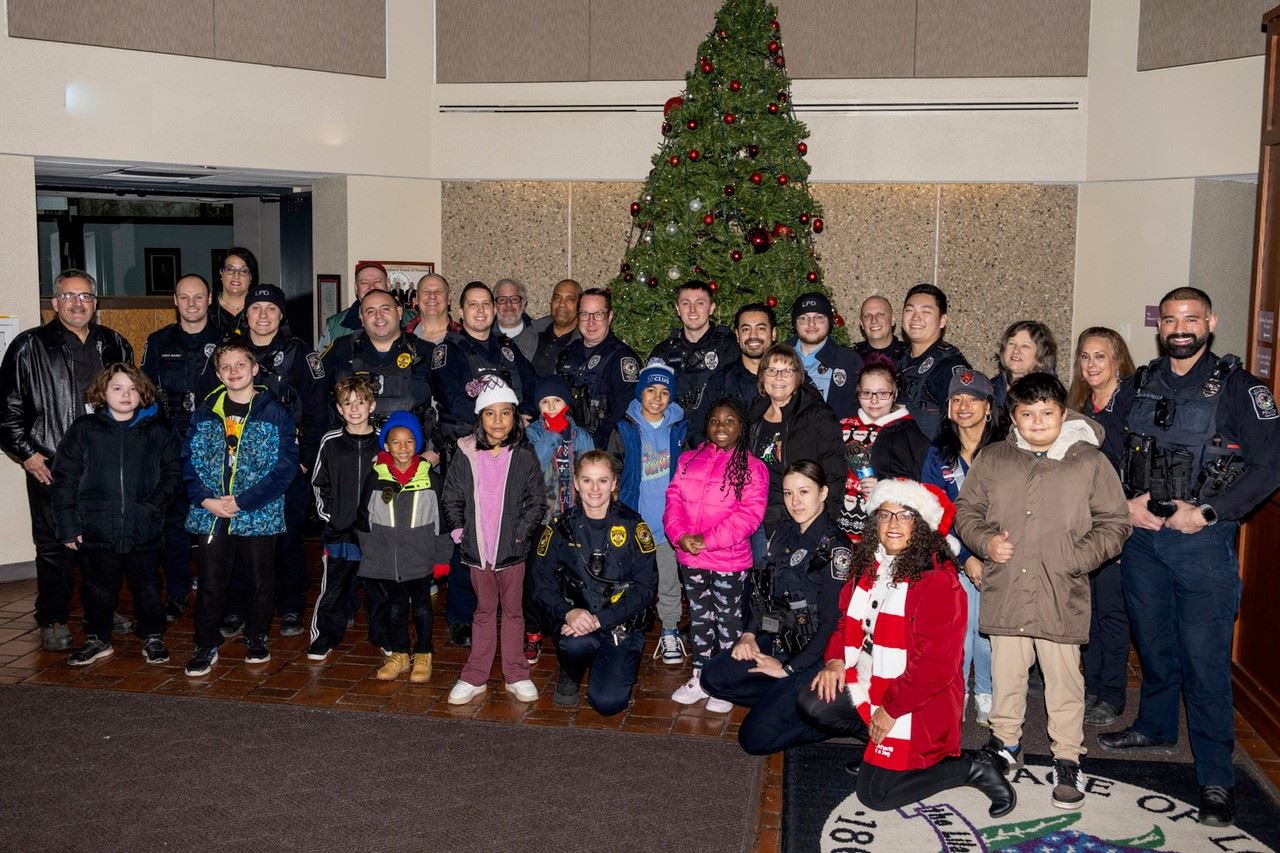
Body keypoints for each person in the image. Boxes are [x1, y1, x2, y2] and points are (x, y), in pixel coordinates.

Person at [1099, 288, 1280, 828]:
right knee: (1153, 644)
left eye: (1191, 319)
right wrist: (1124, 504)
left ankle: (1217, 778)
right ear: (1160, 327)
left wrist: (1208, 513)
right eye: (1171, 319)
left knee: (1203, 663)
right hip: (1143, 542)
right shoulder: (1139, 383)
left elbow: (1270, 466)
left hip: (1200, 545)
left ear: (1210, 323)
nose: (1181, 327)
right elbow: (1108, 450)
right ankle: (1155, 726)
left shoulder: (1243, 390)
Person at [955, 372, 1130, 810]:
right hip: (1009, 587)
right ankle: (1004, 744)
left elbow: (1116, 521)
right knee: (1007, 674)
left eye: (1047, 413)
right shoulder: (994, 458)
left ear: (1062, 412)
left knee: (1064, 681)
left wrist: (1078, 558)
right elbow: (966, 510)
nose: (1037, 421)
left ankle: (1068, 758)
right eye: (1027, 413)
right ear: (1012, 416)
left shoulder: (1088, 460)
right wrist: (985, 541)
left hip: (1060, 591)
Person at [796, 479, 1015, 817]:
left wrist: (890, 711)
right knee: (815, 702)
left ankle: (971, 767)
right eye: (885, 515)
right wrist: (836, 659)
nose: (893, 524)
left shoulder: (938, 580)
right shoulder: (869, 563)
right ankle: (877, 743)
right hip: (872, 682)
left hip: (920, 700)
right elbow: (844, 622)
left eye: (905, 516)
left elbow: (935, 668)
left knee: (875, 796)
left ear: (923, 525)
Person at [0, 269, 133, 651]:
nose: (78, 303)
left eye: (86, 296)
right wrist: (28, 456)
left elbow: (133, 400)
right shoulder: (29, 347)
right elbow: (6, 411)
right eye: (69, 296)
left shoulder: (115, 344)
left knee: (103, 545)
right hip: (51, 466)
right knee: (55, 547)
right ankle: (54, 617)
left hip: (105, 466)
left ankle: (102, 610)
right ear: (55, 303)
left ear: (96, 303)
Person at [700, 460, 849, 754]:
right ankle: (783, 700)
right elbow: (762, 589)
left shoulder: (835, 548)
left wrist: (788, 669)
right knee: (713, 676)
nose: (796, 501)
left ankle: (824, 717)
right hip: (779, 638)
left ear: (823, 493)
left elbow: (832, 623)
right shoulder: (783, 532)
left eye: (804, 492)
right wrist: (750, 634)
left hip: (812, 654)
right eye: (789, 493)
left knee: (753, 740)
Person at [52, 364, 182, 667]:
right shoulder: (84, 429)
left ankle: (152, 636)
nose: (126, 394)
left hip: (144, 527)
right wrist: (68, 525)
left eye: (132, 388)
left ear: (143, 392)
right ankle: (98, 639)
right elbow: (64, 478)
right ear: (102, 392)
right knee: (97, 587)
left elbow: (174, 474)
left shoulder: (158, 431)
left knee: (148, 585)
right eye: (117, 388)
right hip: (96, 527)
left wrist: (153, 507)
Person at [183, 342, 298, 677]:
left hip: (258, 511)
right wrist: (206, 499)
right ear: (218, 374)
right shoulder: (206, 410)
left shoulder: (275, 411)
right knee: (210, 581)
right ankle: (205, 644)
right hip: (211, 511)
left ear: (254, 368)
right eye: (226, 367)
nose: (234, 372)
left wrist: (244, 501)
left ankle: (257, 637)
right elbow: (188, 459)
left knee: (261, 579)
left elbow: (285, 466)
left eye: (240, 365)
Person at [217, 283, 326, 638]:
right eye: (255, 309)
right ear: (244, 314)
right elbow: (210, 406)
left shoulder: (301, 355)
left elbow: (316, 412)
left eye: (271, 309)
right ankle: (236, 608)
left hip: (286, 466)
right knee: (235, 539)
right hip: (237, 466)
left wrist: (306, 462)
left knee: (288, 538)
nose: (263, 316)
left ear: (281, 315)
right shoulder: (226, 354)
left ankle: (291, 606)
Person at [441, 376, 545, 705]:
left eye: (505, 413)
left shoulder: (524, 455)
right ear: (479, 417)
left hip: (512, 551)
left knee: (513, 613)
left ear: (515, 417)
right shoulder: (465, 452)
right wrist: (460, 532)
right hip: (477, 550)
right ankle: (475, 675)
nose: (497, 421)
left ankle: (516, 673)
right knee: (484, 612)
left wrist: (520, 535)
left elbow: (536, 501)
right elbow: (452, 495)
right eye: (490, 413)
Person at [532, 450, 659, 715]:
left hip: (619, 624)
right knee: (573, 645)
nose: (595, 488)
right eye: (587, 480)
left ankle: (618, 662)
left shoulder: (634, 526)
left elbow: (646, 589)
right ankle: (571, 671)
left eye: (603, 480)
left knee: (607, 703)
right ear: (576, 483)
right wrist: (568, 613)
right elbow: (542, 585)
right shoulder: (558, 528)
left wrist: (602, 619)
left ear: (614, 484)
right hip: (577, 625)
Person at [664, 397, 767, 707]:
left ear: (742, 427)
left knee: (728, 622)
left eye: (730, 421)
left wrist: (706, 540)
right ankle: (700, 676)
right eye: (715, 421)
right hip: (690, 558)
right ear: (706, 426)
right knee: (699, 618)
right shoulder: (688, 460)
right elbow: (673, 501)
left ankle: (724, 683)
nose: (721, 427)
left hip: (728, 561)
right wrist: (680, 536)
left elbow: (748, 516)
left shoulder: (753, 467)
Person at [920, 368, 1005, 725]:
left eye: (973, 399)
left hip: (1000, 554)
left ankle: (986, 690)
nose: (964, 405)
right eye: (957, 399)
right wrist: (966, 556)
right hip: (954, 554)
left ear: (989, 407)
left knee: (988, 629)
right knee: (959, 629)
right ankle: (959, 691)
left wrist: (988, 552)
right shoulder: (938, 454)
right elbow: (930, 509)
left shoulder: (1006, 451)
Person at [141, 273, 221, 620]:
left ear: (210, 300)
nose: (192, 304)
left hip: (214, 444)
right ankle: (175, 593)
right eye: (184, 297)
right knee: (173, 525)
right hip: (170, 443)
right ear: (175, 301)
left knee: (213, 523)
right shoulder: (158, 341)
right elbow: (147, 394)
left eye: (198, 297)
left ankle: (214, 592)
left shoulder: (226, 341)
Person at [1067, 327, 1136, 727]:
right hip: (1081, 524)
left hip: (1116, 522)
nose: (1091, 365)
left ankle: (1111, 694)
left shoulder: (1130, 405)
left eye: (1099, 356)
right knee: (1085, 608)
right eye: (1084, 357)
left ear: (1117, 361)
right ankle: (1090, 686)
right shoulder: (1079, 406)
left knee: (1111, 610)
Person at [356, 411, 450, 682]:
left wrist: (442, 557)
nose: (403, 448)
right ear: (386, 446)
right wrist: (371, 552)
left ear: (417, 445)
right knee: (395, 608)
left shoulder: (431, 479)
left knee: (421, 607)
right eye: (396, 442)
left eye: (409, 442)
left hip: (420, 558)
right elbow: (364, 519)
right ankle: (399, 653)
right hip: (387, 560)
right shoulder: (376, 478)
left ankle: (423, 653)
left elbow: (442, 522)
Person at [607, 360, 688, 665]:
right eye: (650, 390)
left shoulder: (680, 428)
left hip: (668, 526)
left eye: (664, 392)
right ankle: (624, 624)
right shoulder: (625, 428)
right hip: (633, 523)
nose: (657, 397)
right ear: (640, 393)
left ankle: (669, 630)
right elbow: (612, 470)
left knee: (668, 581)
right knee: (627, 580)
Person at [306, 376, 381, 662]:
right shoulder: (331, 442)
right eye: (347, 403)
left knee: (379, 589)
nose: (354, 409)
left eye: (360, 402)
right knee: (334, 586)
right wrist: (331, 516)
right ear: (339, 409)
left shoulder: (383, 442)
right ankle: (324, 636)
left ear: (371, 405)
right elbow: (318, 482)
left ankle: (384, 636)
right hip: (340, 531)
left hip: (375, 534)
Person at [523, 375, 595, 664]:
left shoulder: (582, 435)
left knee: (574, 577)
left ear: (567, 403)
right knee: (536, 578)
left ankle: (572, 627)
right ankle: (532, 632)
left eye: (557, 401)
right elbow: (533, 465)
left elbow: (592, 468)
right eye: (545, 402)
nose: (552, 407)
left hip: (574, 520)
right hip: (541, 520)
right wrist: (553, 434)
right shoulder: (534, 434)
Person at [748, 344, 844, 536]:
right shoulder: (753, 415)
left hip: (798, 517)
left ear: (798, 376)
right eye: (772, 370)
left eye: (787, 371)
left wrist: (824, 525)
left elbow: (835, 472)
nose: (779, 377)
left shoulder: (818, 415)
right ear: (762, 376)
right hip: (757, 517)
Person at [431, 281, 537, 442]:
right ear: (461, 312)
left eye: (486, 304)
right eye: (473, 304)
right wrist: (500, 424)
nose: (480, 310)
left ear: (494, 311)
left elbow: (532, 384)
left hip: (513, 442)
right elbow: (454, 402)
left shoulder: (507, 346)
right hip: (468, 444)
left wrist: (523, 416)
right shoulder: (447, 351)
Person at [320, 288, 436, 436]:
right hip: (351, 448)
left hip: (410, 450)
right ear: (361, 318)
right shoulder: (341, 349)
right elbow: (314, 396)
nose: (378, 316)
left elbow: (448, 406)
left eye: (385, 309)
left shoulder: (425, 352)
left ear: (399, 313)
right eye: (370, 311)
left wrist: (434, 451)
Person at [836, 360, 929, 542]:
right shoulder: (843, 426)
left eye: (883, 393)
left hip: (884, 532)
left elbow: (920, 483)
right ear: (858, 393)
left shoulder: (907, 432)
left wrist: (885, 485)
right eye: (867, 393)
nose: (874, 400)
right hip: (840, 528)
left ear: (895, 394)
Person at [648, 280, 740, 446]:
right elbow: (648, 399)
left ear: (711, 308)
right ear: (677, 308)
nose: (692, 310)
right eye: (685, 303)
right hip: (672, 438)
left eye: (700, 303)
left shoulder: (729, 346)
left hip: (716, 439)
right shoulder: (663, 351)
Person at [557, 287, 641, 448]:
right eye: (585, 314)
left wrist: (597, 444)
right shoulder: (568, 353)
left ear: (609, 317)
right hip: (568, 443)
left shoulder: (622, 358)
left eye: (598, 314)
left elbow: (627, 408)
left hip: (605, 448)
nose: (591, 322)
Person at [897, 283, 969, 440]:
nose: (916, 318)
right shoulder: (899, 362)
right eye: (909, 310)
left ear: (942, 320)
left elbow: (966, 428)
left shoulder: (949, 367)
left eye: (926, 312)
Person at [787, 292, 863, 419]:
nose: (811, 324)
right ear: (795, 323)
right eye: (804, 318)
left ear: (830, 321)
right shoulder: (777, 356)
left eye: (819, 317)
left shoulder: (849, 361)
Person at [698, 302, 775, 420]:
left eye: (761, 328)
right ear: (738, 336)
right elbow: (698, 428)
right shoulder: (720, 381)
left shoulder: (790, 378)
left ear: (773, 334)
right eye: (746, 329)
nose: (753, 335)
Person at [318, 261, 411, 349]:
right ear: (356, 288)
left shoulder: (413, 320)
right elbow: (322, 364)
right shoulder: (334, 326)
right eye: (364, 283)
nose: (371, 286)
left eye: (377, 281)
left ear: (388, 284)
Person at [993, 320, 1058, 409]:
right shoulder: (988, 390)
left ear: (1041, 354)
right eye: (1011, 343)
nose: (1016, 350)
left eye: (1025, 346)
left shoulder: (1051, 394)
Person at [531, 278, 582, 377]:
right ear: (551, 303)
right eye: (557, 298)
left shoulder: (585, 342)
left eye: (570, 299)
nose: (562, 304)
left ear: (580, 305)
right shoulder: (532, 333)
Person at [494, 278, 545, 362]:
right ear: (495, 305)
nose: (508, 304)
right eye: (502, 299)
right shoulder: (484, 337)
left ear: (523, 304)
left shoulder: (541, 336)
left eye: (514, 299)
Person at [212, 247, 257, 335]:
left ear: (251, 277)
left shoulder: (261, 309)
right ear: (221, 273)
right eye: (230, 269)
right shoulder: (207, 308)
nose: (236, 276)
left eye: (244, 271)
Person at [405, 272, 459, 346]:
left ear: (449, 298)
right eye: (426, 291)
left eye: (438, 291)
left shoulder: (465, 339)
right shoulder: (402, 338)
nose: (432, 296)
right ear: (417, 298)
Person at [854, 294, 907, 363]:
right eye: (867, 316)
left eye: (881, 314)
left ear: (893, 319)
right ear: (862, 324)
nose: (874, 320)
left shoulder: (910, 355)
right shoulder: (851, 358)